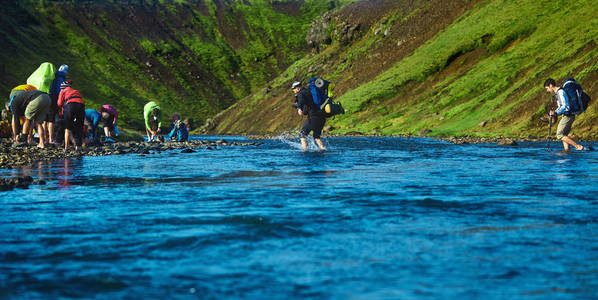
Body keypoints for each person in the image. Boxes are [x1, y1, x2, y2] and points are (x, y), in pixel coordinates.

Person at [544, 78, 585, 151]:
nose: (547, 90)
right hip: (568, 115)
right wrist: (553, 113)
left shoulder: (560, 92)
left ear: (550, 85)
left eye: (547, 88)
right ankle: (567, 151)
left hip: (568, 116)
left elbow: (565, 106)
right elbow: (561, 106)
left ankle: (578, 146)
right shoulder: (559, 93)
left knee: (559, 135)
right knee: (564, 134)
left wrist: (556, 113)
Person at [292, 81, 326, 151]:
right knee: (316, 136)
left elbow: (301, 101)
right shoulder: (309, 91)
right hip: (321, 116)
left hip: (313, 117)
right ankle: (323, 149)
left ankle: (305, 151)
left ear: (298, 88)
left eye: (294, 89)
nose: (293, 91)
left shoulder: (301, 93)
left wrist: (298, 108)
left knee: (302, 134)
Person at [57, 80, 85, 150]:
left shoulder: (63, 91)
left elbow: (59, 103)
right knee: (79, 126)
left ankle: (67, 147)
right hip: (81, 105)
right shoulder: (76, 91)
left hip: (70, 105)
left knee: (68, 127)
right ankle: (78, 146)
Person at [46, 64, 68, 144]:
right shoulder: (61, 77)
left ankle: (45, 138)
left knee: (46, 119)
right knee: (51, 119)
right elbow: (60, 90)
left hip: (47, 96)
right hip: (54, 98)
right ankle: (51, 139)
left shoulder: (53, 75)